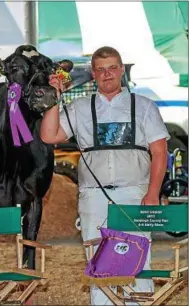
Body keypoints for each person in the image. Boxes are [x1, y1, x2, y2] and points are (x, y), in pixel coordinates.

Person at [41, 46, 169, 305]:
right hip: (93, 196)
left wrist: (153, 192)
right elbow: (48, 135)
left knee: (138, 260)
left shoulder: (143, 106)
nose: (107, 74)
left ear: (122, 70)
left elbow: (160, 151)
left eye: (112, 68)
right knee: (98, 261)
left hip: (135, 194)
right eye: (101, 69)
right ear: (93, 74)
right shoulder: (79, 107)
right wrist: (54, 97)